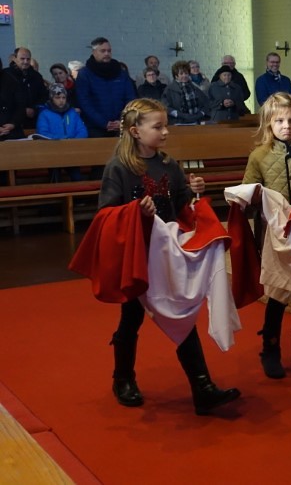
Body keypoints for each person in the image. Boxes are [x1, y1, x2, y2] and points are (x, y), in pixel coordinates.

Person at [86, 98, 240, 415]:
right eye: (158, 127)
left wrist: (194, 190)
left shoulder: (169, 165)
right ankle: (123, 378)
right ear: (135, 131)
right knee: (131, 317)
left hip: (167, 253)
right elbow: (105, 214)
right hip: (137, 254)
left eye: (166, 125)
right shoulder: (119, 168)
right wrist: (134, 211)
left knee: (180, 315)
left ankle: (202, 388)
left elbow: (181, 205)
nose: (165, 132)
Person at [243, 92, 291, 379]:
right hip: (274, 234)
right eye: (279, 121)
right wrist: (258, 197)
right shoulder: (259, 156)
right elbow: (248, 193)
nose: (286, 126)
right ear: (268, 123)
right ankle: (270, 347)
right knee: (278, 292)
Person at [75, 37, 136, 138]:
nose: (107, 53)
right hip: (95, 128)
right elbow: (84, 102)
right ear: (94, 52)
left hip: (120, 127)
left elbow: (130, 98)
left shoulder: (121, 73)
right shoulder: (85, 74)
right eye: (103, 51)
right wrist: (103, 123)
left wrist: (122, 120)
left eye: (109, 51)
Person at [36, 84, 88, 181]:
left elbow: (82, 130)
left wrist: (73, 141)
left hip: (72, 151)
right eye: (57, 97)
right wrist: (62, 138)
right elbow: (42, 133)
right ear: (51, 98)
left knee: (77, 177)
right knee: (55, 179)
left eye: (63, 97)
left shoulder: (72, 112)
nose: (61, 100)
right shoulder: (44, 114)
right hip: (52, 152)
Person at [0, 47, 48, 138]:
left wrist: (34, 109)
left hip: (31, 121)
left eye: (28, 59)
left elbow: (44, 96)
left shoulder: (36, 76)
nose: (25, 62)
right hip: (10, 123)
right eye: (22, 59)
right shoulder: (5, 75)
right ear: (15, 58)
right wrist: (21, 112)